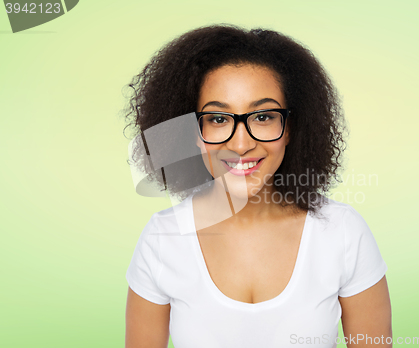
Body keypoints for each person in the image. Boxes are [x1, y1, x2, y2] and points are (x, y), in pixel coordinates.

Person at [123, 24, 392, 348]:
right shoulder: (162, 240)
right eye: (219, 119)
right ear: (194, 133)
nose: (240, 144)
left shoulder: (343, 233)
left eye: (263, 117)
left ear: (290, 127)